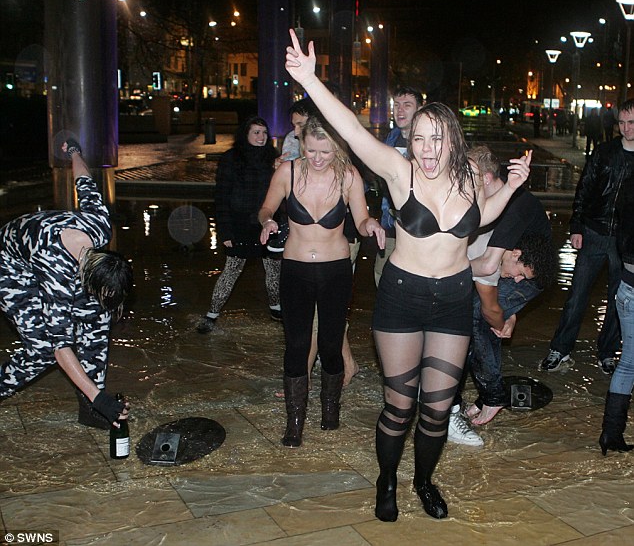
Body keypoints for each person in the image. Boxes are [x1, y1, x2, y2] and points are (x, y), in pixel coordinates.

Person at [284, 29, 531, 522]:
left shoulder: (468, 177)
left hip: (452, 301)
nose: (428, 147)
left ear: (452, 139)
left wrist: (511, 189)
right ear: (411, 142)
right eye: (419, 138)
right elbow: (352, 130)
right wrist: (310, 81)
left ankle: (423, 481)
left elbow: (479, 219)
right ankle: (386, 480)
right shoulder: (400, 171)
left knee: (437, 410)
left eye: (437, 138)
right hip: (402, 298)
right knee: (399, 407)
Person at [258, 113, 385, 449]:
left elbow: (361, 219)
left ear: (337, 149)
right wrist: (268, 221)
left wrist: (371, 225)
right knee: (297, 344)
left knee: (330, 343)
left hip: (335, 270)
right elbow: (266, 207)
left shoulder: (349, 175)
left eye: (325, 152)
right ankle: (294, 422)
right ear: (302, 144)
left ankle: (331, 410)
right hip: (296, 269)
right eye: (311, 150)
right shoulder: (287, 172)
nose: (317, 158)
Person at [0, 139, 132, 429]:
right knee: (43, 349)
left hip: (46, 250)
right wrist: (101, 399)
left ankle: (89, 408)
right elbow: (61, 346)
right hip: (9, 265)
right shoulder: (57, 272)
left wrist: (74, 151)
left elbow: (84, 180)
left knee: (97, 316)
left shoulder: (100, 226)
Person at [447, 146, 554, 444]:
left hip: (531, 271)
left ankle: (492, 396)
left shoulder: (513, 205)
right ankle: (464, 399)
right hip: (515, 264)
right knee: (477, 317)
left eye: (469, 178)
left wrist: (438, 266)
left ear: (485, 177)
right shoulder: (484, 200)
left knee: (480, 316)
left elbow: (488, 265)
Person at [540, 99, 634, 375]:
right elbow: (584, 188)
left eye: (632, 123)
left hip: (624, 242)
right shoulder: (604, 152)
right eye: (622, 122)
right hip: (594, 231)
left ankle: (607, 353)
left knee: (618, 300)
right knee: (577, 295)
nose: (626, 128)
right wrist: (577, 226)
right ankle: (560, 348)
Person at [196, 116, 282, 333]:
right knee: (232, 269)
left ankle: (276, 308)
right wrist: (225, 230)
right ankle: (212, 313)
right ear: (245, 134)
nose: (261, 137)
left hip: (267, 223)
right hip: (240, 223)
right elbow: (221, 196)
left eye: (264, 132)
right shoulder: (231, 158)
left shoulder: (273, 158)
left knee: (273, 269)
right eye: (256, 132)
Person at [599, 166, 634, 455]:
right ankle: (611, 435)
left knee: (628, 363)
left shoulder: (628, 185)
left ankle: (611, 434)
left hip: (626, 287)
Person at [375, 86, 424, 287]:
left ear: (419, 109)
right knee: (382, 277)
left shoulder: (427, 142)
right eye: (397, 105)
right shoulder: (391, 138)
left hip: (419, 230)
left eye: (407, 105)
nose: (400, 110)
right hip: (390, 226)